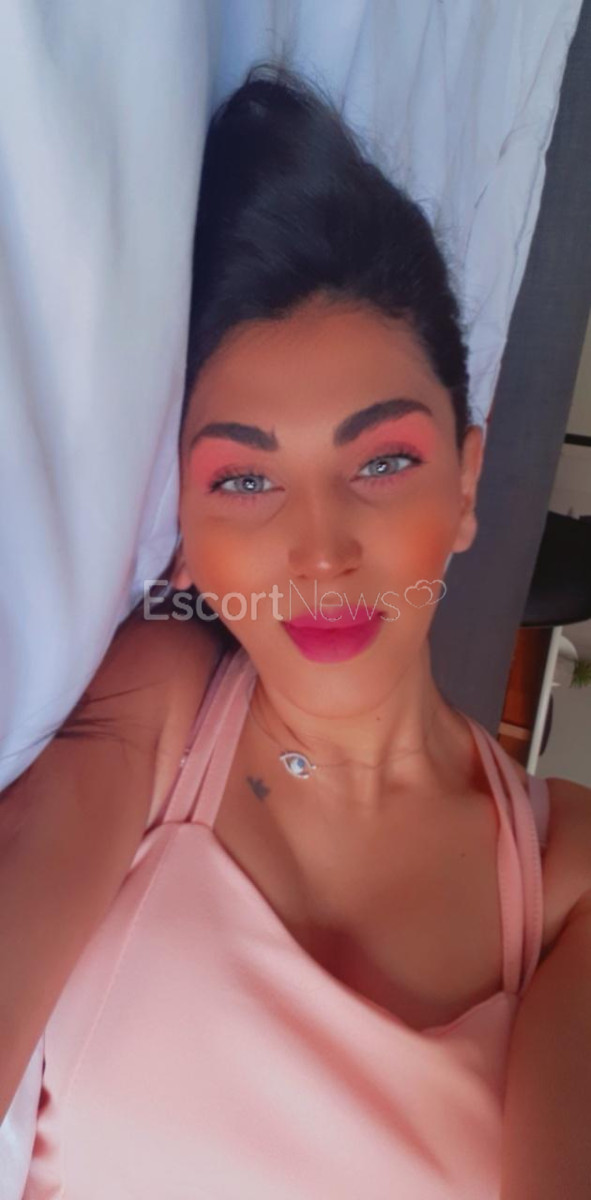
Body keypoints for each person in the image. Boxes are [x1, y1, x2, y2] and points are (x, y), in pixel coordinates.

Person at [1, 61, 589, 1198]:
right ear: (179, 528)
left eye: (381, 462)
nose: (321, 554)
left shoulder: (564, 882)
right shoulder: (159, 709)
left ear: (467, 484)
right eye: (244, 480)